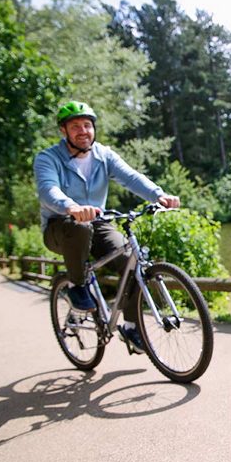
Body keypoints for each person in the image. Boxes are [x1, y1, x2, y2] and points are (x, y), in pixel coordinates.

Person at [34, 101, 180, 352]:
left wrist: (159, 195)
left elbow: (131, 176)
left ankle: (132, 328)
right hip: (61, 226)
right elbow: (48, 190)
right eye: (75, 126)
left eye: (87, 125)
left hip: (98, 222)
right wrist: (71, 207)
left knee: (131, 260)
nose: (83, 131)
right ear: (64, 131)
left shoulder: (104, 155)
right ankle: (77, 287)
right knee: (79, 228)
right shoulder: (48, 158)